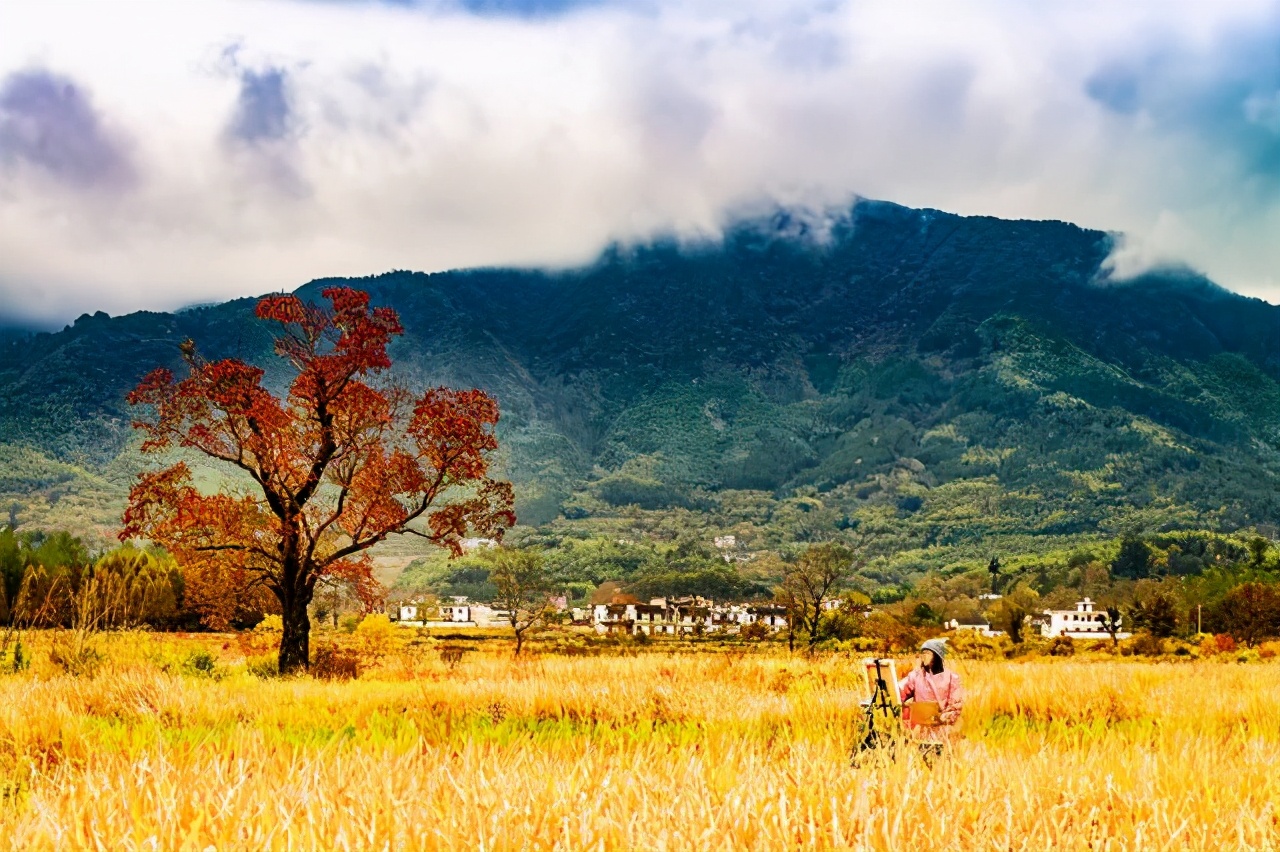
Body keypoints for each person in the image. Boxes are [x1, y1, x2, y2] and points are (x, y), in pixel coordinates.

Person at [897, 638, 963, 761]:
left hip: (943, 730)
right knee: (919, 762)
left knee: (942, 763)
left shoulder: (951, 678)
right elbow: (900, 691)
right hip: (919, 729)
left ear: (937, 655)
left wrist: (943, 718)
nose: (923, 656)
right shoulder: (915, 676)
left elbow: (956, 704)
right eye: (922, 653)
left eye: (927, 653)